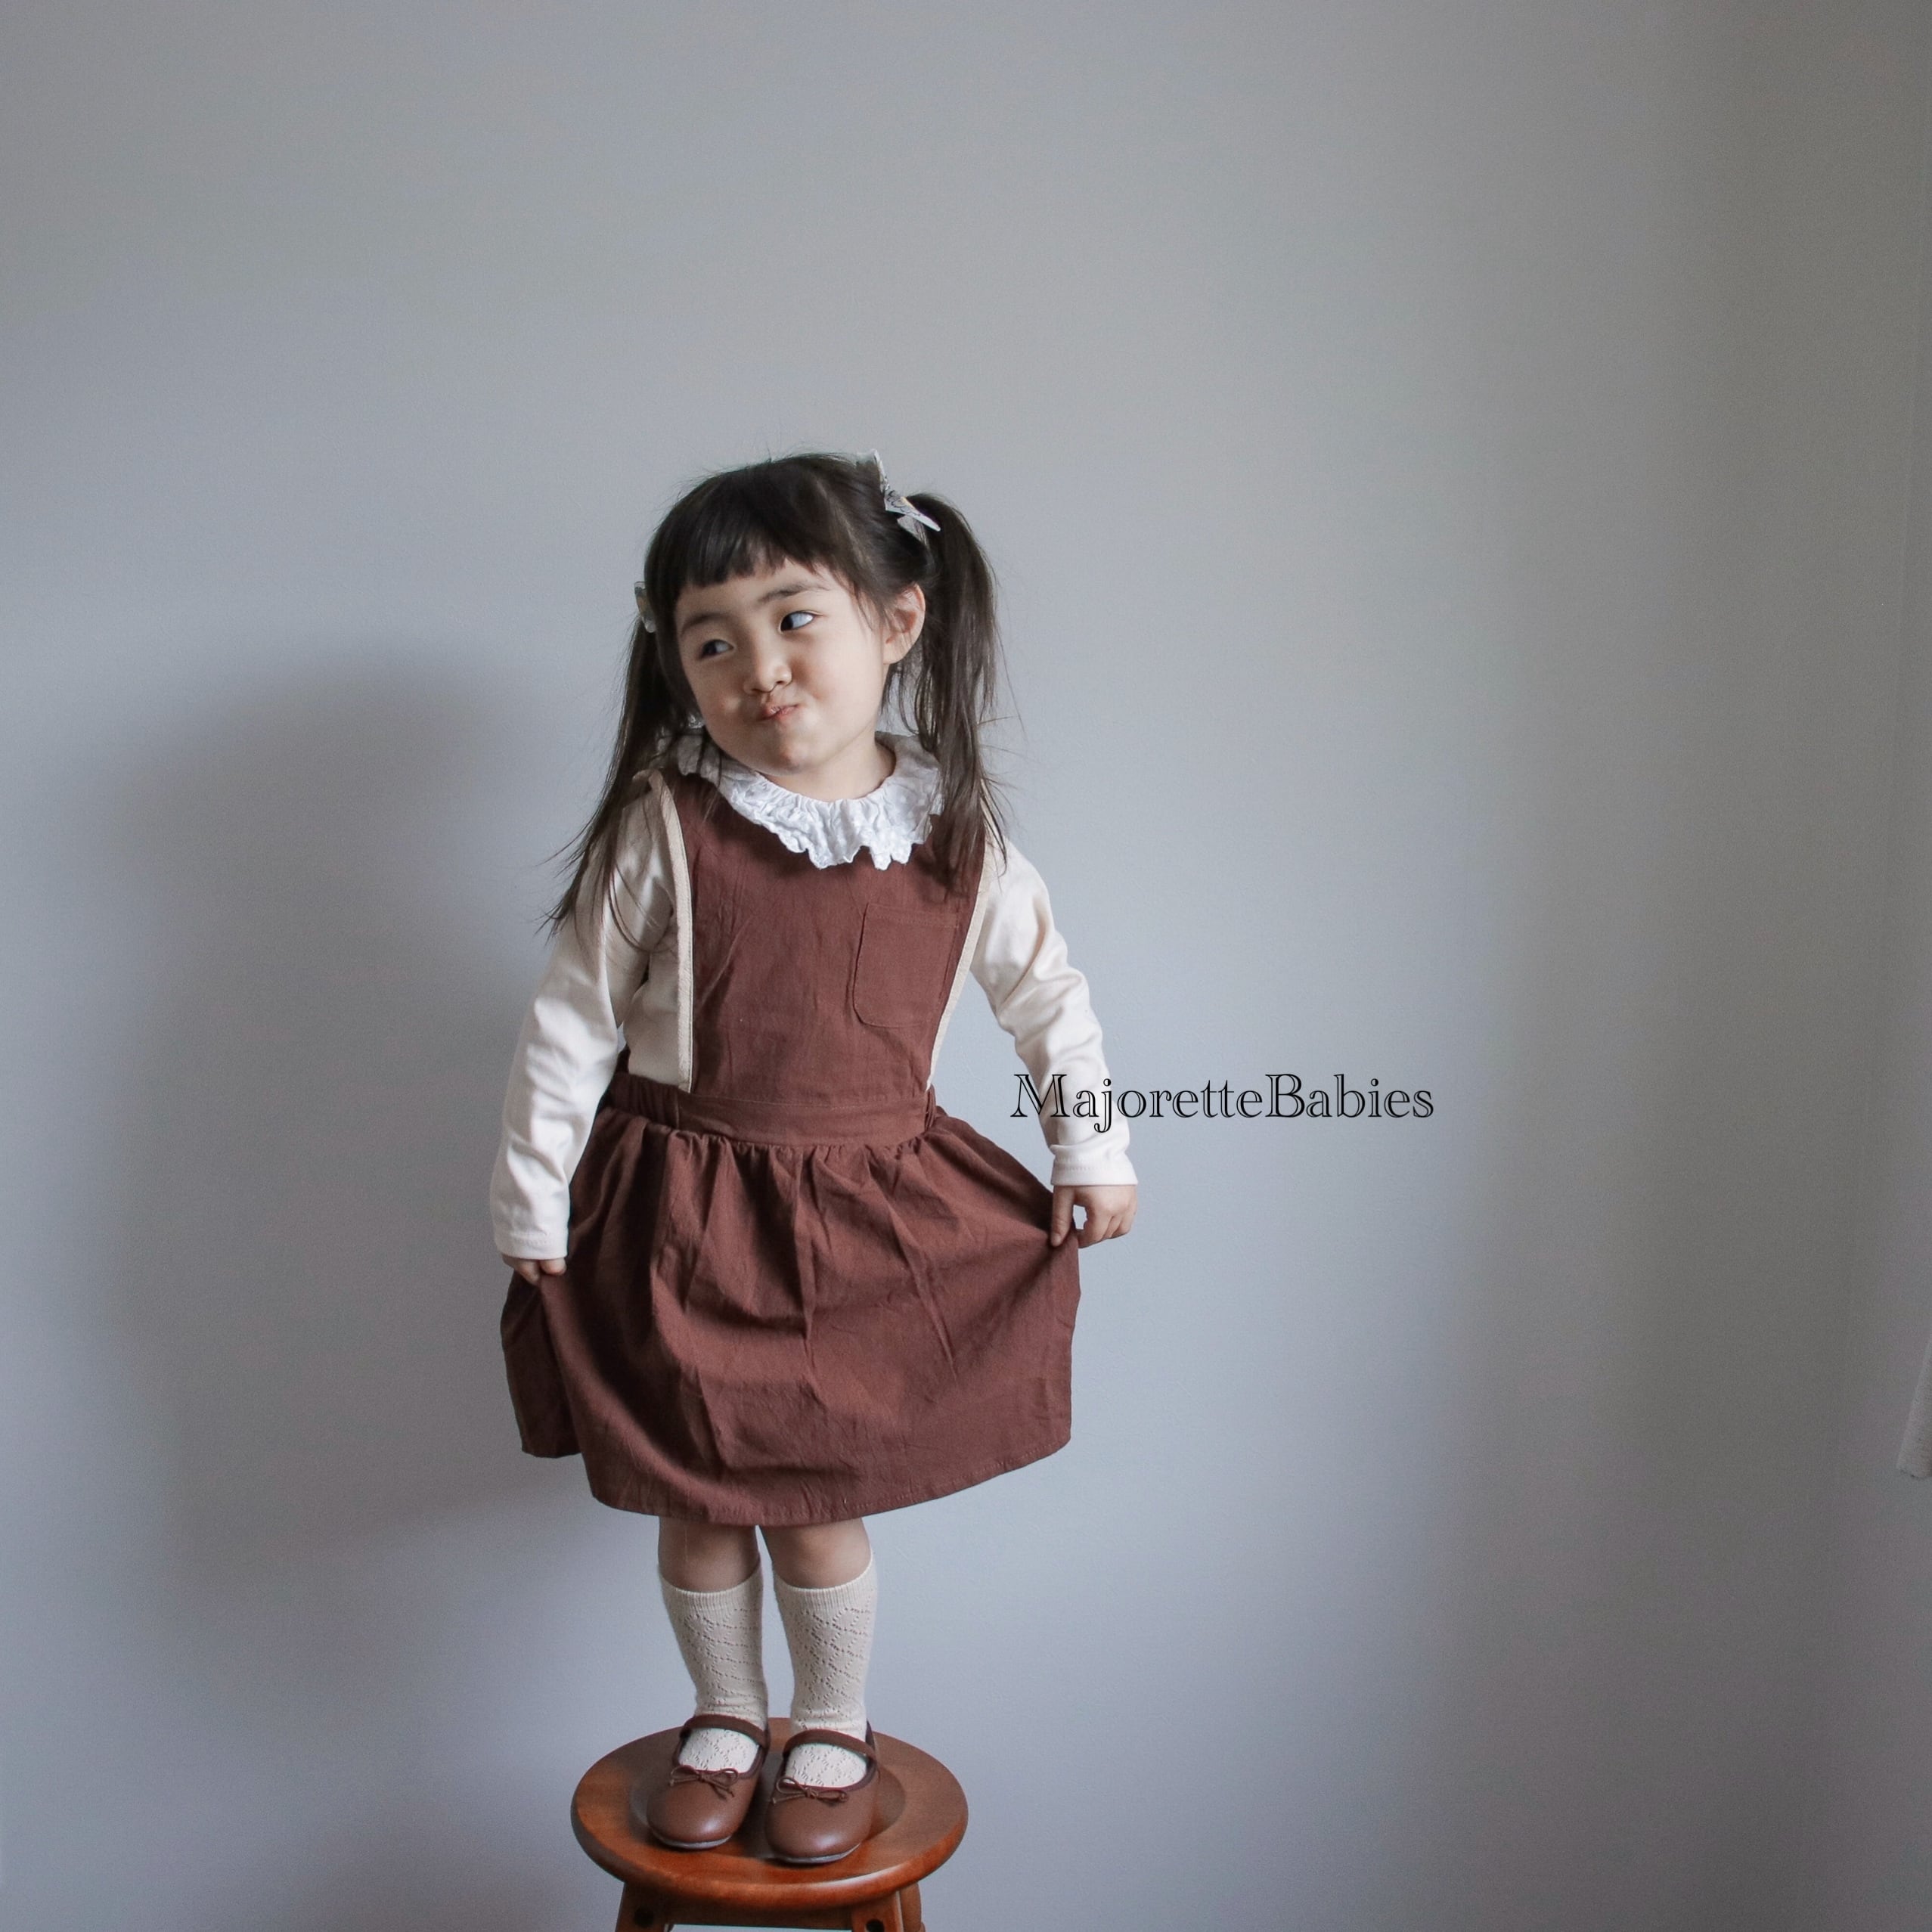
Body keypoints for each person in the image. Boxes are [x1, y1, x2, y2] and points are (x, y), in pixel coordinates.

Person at [490, 450, 1137, 1865]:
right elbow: (572, 1020)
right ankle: (726, 1713)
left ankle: (830, 1720)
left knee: (819, 1500)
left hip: (863, 1216)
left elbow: (1049, 999)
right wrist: (531, 1199)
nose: (759, 668)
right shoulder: (666, 827)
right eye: (711, 641)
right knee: (697, 1493)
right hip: (681, 1211)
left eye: (794, 619)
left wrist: (1091, 1146)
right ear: (674, 663)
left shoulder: (959, 840)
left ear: (896, 622)